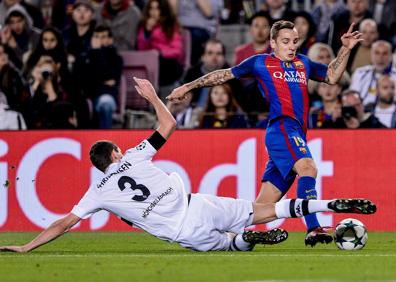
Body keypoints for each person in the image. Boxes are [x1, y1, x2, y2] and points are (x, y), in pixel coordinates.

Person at [0, 78, 377, 253]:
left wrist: (29, 246)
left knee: (234, 247)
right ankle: (327, 205)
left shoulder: (96, 191)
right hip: (199, 202)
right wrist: (151, 97)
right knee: (267, 209)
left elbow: (65, 222)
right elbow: (169, 125)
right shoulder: (134, 155)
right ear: (115, 154)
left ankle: (246, 240)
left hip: (183, 230)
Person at [167, 20, 363, 247]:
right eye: (285, 42)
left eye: (295, 42)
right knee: (308, 168)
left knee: (262, 207)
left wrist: (346, 49)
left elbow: (331, 75)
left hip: (295, 132)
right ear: (273, 43)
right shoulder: (261, 63)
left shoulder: (304, 63)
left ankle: (212, 234)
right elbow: (223, 75)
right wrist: (187, 87)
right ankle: (313, 227)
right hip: (281, 128)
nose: (291, 47)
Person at [137, 0, 184, 86]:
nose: (153, 12)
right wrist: (147, 32)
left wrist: (160, 53)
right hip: (150, 61)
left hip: (167, 61)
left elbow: (177, 51)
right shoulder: (144, 26)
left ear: (163, 10)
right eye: (151, 8)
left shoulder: (171, 25)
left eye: (157, 8)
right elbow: (141, 49)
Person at [349, 40, 396, 107]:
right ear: (371, 55)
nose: (380, 58)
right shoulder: (359, 73)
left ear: (391, 56)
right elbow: (352, 98)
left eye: (385, 53)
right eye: (377, 53)